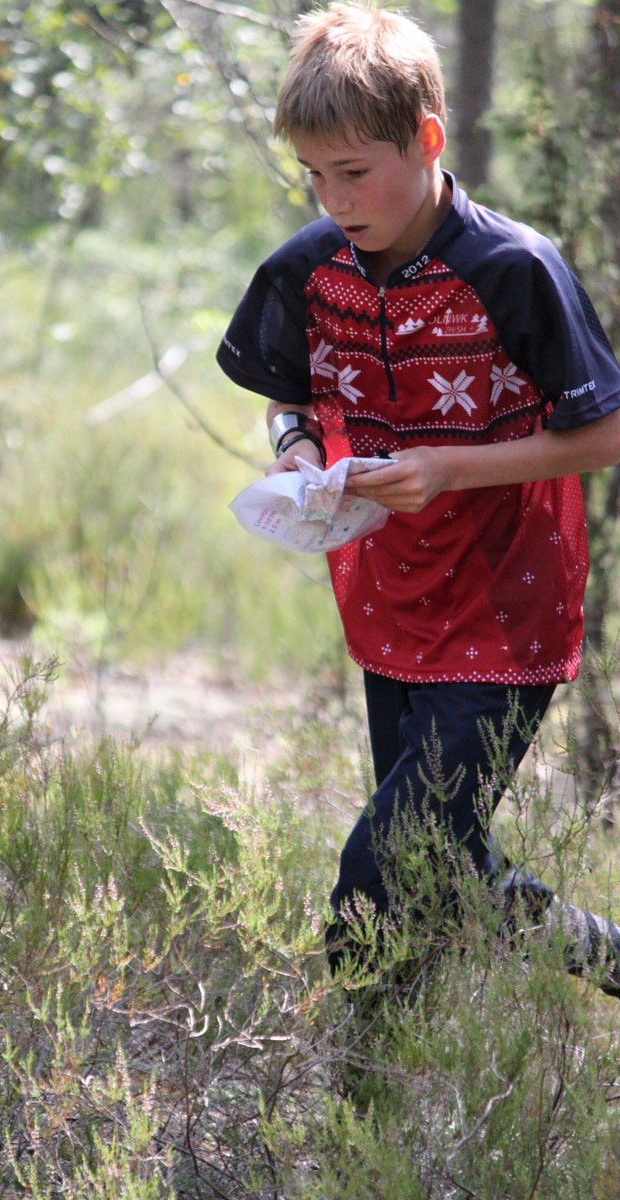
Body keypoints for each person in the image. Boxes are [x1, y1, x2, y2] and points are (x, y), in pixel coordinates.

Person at [217, 1, 620, 997]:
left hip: (508, 609)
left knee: (379, 870)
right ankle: (427, 1060)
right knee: (440, 871)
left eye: (354, 172)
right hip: (387, 604)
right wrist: (295, 449)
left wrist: (446, 468)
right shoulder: (306, 270)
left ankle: (358, 1082)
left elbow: (608, 431)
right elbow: (288, 393)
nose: (334, 198)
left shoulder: (514, 269)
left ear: (428, 140)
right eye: (313, 174)